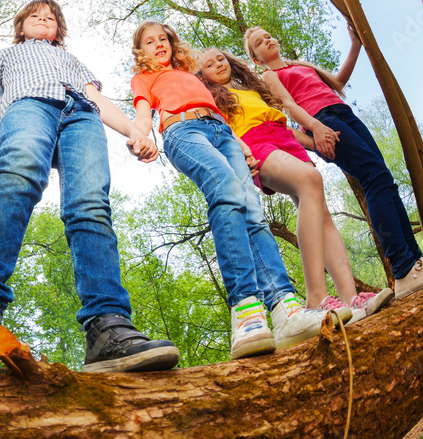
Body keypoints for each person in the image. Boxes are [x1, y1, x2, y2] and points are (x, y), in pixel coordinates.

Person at [0, 0, 180, 375]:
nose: (43, 19)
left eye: (50, 17)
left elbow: (98, 99)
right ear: (21, 26)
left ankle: (108, 327)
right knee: (16, 177)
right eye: (35, 16)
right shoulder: (6, 55)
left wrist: (135, 130)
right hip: (29, 105)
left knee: (91, 206)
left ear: (59, 29)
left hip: (83, 117)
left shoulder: (74, 60)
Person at [130, 21, 340, 360]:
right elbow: (142, 114)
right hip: (183, 132)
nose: (159, 45)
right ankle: (245, 312)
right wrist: (141, 135)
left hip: (222, 132)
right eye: (150, 41)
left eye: (163, 39)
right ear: (142, 50)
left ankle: (285, 309)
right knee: (226, 192)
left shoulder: (189, 73)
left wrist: (240, 143)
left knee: (253, 212)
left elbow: (220, 113)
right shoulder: (145, 78)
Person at [244, 25, 423, 300]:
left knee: (385, 179)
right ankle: (402, 270)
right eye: (259, 42)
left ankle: (416, 262)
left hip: (345, 115)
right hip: (323, 123)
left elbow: (338, 83)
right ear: (256, 59)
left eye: (268, 36)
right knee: (373, 179)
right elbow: (289, 106)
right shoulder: (270, 76)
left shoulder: (300, 67)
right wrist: (316, 129)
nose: (268, 40)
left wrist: (355, 46)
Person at [197, 47, 394, 322]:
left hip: (284, 140)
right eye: (209, 64)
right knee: (310, 179)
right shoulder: (210, 99)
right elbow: (219, 133)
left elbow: (284, 127)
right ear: (201, 75)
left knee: (323, 215)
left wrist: (316, 143)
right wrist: (239, 157)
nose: (218, 64)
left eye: (221, 58)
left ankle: (351, 299)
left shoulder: (252, 91)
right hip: (256, 144)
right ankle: (316, 297)